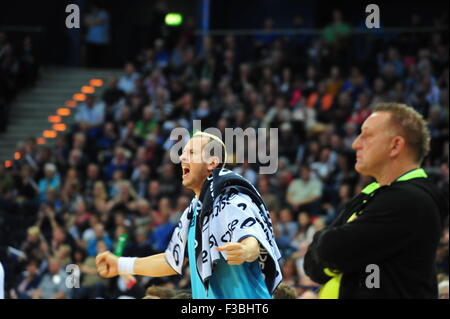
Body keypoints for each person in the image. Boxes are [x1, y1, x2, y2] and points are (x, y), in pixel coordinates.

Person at [96, 131, 282, 299]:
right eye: (183, 152)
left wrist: (245, 251)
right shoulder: (193, 212)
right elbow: (170, 261)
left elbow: (253, 239)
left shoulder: (230, 198)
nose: (182, 157)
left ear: (212, 162)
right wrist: (120, 265)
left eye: (191, 153)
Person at [304, 103, 449, 299]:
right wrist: (330, 248)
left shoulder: (411, 199)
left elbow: (329, 248)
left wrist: (327, 245)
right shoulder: (373, 191)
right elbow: (312, 265)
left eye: (367, 135)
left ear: (396, 145)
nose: (356, 143)